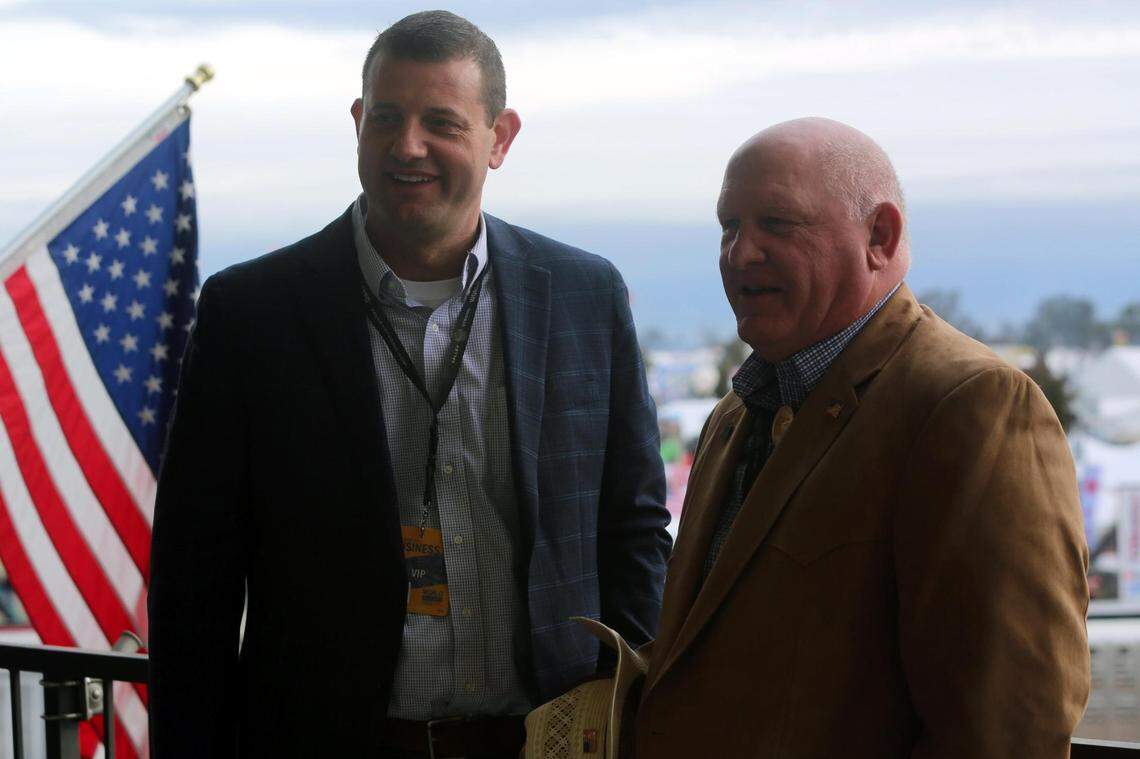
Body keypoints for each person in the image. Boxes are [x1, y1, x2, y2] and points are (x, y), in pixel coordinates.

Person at [147, 11, 671, 758]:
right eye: (386, 118)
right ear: (357, 122)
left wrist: (637, 711)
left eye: (442, 123)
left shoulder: (585, 296)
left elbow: (634, 529)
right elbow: (194, 575)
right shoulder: (251, 314)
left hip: (547, 740)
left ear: (501, 138)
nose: (408, 146)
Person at [634, 117, 1090, 757]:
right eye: (729, 227)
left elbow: (1011, 726)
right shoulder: (736, 415)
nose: (740, 253)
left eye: (777, 224)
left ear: (880, 236)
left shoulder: (971, 405)